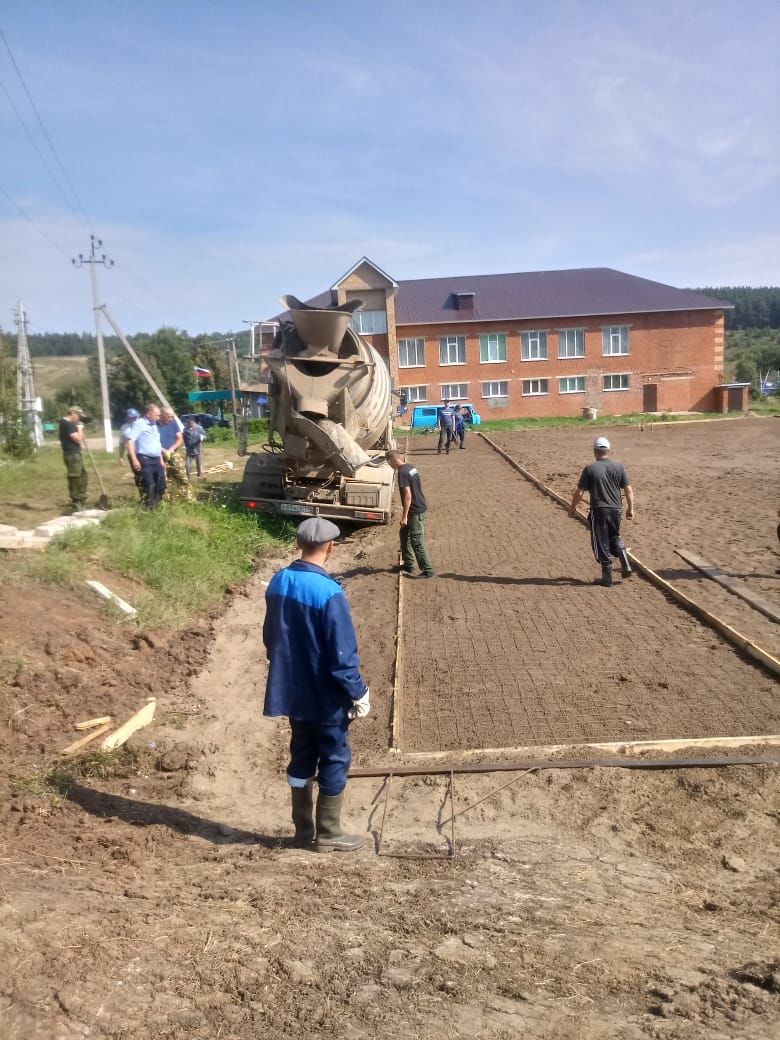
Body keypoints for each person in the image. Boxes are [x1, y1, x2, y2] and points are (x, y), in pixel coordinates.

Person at [263, 517, 370, 852]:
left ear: (298, 545)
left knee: (301, 754)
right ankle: (328, 833)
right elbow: (341, 654)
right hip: (325, 695)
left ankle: (302, 831)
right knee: (334, 757)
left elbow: (271, 638)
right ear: (330, 547)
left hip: (294, 692)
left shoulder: (278, 581)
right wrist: (358, 692)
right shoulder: (329, 592)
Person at [569, 436, 635, 587]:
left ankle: (607, 578)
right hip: (616, 509)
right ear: (608, 451)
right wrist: (630, 508)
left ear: (594, 451)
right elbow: (628, 489)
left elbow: (579, 493)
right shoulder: (619, 467)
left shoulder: (590, 469)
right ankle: (625, 563)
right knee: (614, 536)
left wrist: (572, 509)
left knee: (600, 542)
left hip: (599, 510)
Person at [385, 449, 434, 577]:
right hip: (419, 505)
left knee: (416, 540)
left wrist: (404, 516)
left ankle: (428, 570)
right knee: (404, 534)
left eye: (389, 463)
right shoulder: (411, 468)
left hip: (415, 510)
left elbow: (407, 496)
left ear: (391, 461)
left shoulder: (402, 472)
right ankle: (408, 564)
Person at [126, 403, 166, 509]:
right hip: (145, 459)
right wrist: (134, 460)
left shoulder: (154, 425)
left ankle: (156, 505)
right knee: (150, 485)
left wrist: (161, 459)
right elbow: (130, 441)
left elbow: (157, 444)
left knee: (162, 485)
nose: (158, 417)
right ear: (149, 414)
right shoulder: (139, 424)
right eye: (157, 415)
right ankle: (149, 510)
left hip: (157, 460)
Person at [158, 407, 195, 502]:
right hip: (159, 456)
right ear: (162, 415)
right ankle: (169, 501)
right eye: (169, 417)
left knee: (182, 476)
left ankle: (189, 499)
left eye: (172, 417)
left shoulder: (173, 423)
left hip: (173, 454)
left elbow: (180, 438)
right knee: (165, 480)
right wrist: (162, 450)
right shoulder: (154, 424)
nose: (171, 419)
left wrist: (171, 450)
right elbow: (151, 441)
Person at [58, 405, 88, 512]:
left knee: (83, 475)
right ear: (73, 413)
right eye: (79, 416)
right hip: (72, 455)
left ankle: (81, 499)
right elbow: (79, 439)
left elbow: (79, 439)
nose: (79, 418)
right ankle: (77, 503)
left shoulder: (67, 424)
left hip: (74, 453)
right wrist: (80, 428)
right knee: (76, 479)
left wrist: (78, 428)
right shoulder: (67, 424)